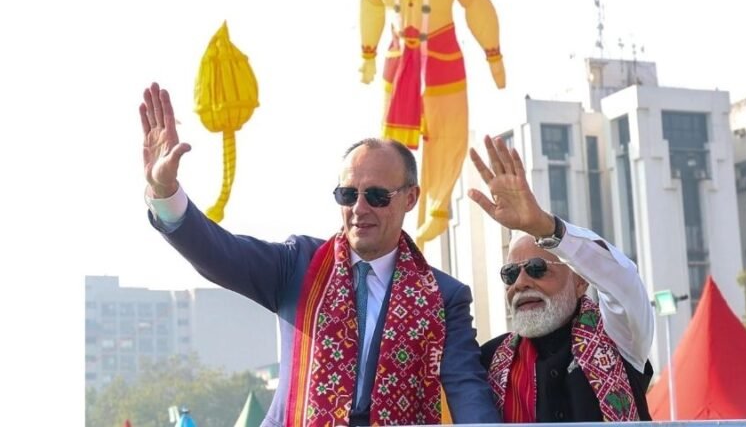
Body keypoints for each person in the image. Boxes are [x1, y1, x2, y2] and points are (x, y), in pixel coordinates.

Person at [139, 82, 500, 426]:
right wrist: (165, 191)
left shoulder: (444, 296)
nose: (359, 209)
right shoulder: (298, 264)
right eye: (347, 195)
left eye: (376, 196)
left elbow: (467, 390)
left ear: (410, 198)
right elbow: (219, 253)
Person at [359, 0, 506, 248]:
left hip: (440, 55)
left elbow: (476, 3)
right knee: (390, 148)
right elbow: (370, 2)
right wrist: (367, 53)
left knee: (447, 137)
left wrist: (493, 54)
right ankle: (392, 212)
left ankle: (437, 207)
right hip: (399, 60)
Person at [467, 136, 656, 422]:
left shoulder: (618, 337)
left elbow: (622, 280)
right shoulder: (488, 360)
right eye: (510, 273)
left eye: (536, 267)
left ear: (581, 281)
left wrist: (545, 227)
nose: (520, 283)